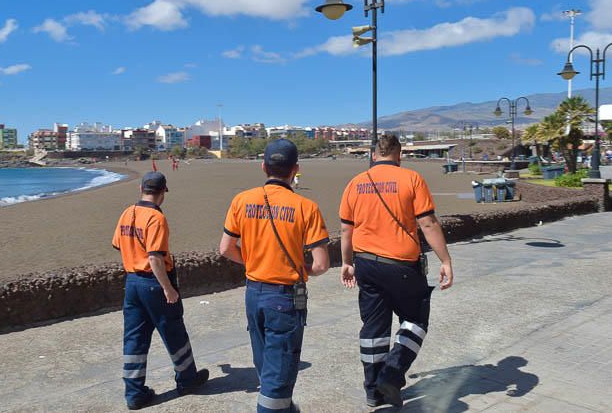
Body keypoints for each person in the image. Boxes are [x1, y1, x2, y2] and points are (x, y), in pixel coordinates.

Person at [338, 134, 454, 408]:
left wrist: (347, 262)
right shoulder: (411, 179)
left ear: (373, 155)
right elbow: (427, 223)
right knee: (415, 320)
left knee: (374, 329)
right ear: (399, 155)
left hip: (366, 264)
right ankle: (391, 373)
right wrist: (445, 260)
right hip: (402, 265)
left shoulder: (355, 183)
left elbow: (346, 229)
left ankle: (373, 391)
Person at [219, 139, 331, 413]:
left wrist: (255, 261)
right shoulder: (306, 207)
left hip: (254, 293)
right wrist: (299, 270)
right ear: (295, 169)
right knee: (277, 376)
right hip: (284, 297)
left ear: (263, 166)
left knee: (266, 365)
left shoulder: (241, 200)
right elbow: (322, 264)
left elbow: (225, 248)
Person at [112, 171, 208, 410]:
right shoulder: (156, 218)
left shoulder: (127, 212)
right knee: (174, 332)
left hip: (132, 282)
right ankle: (187, 380)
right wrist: (168, 288)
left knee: (134, 338)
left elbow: (117, 244)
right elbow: (155, 257)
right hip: (153, 283)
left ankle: (134, 393)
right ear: (163, 192)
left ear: (142, 189)